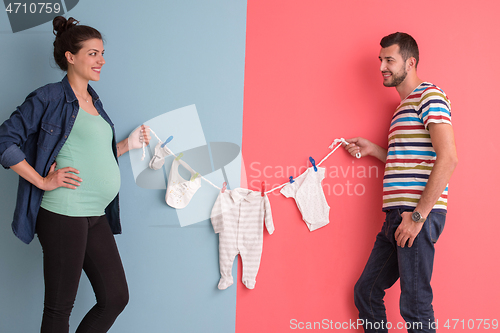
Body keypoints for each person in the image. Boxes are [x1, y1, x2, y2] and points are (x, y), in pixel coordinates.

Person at [0, 16, 151, 333]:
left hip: (95, 213)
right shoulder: (49, 97)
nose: (101, 60)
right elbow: (5, 140)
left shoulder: (94, 101)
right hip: (63, 212)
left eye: (101, 53)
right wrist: (42, 181)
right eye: (93, 53)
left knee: (115, 298)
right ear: (71, 56)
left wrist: (126, 144)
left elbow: (90, 153)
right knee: (58, 310)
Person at [344, 32, 458, 333]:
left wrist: (418, 216)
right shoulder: (401, 109)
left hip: (415, 214)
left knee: (415, 305)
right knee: (366, 293)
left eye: (389, 60)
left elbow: (448, 158)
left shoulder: (429, 95)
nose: (382, 66)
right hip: (395, 216)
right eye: (380, 60)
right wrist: (374, 149)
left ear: (411, 62)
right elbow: (410, 160)